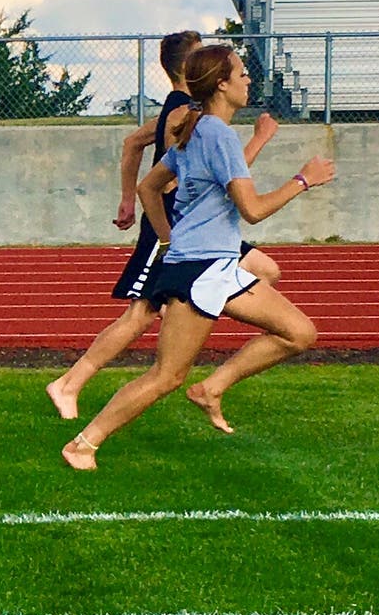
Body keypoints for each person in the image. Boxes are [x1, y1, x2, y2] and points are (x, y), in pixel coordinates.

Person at [62, 45, 333, 470]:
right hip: (202, 271)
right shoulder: (217, 134)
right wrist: (303, 179)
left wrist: (171, 242)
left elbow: (149, 188)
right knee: (166, 376)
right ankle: (83, 444)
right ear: (221, 84)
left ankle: (213, 387)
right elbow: (253, 210)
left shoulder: (198, 130)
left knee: (299, 333)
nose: (248, 81)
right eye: (242, 74)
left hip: (214, 266)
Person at [45, 32, 281, 420]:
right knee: (140, 315)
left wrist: (126, 197)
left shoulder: (183, 111)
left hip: (202, 230)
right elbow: (208, 179)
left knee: (266, 270)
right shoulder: (183, 115)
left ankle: (192, 321)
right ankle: (70, 383)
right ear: (192, 67)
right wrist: (140, 207)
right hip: (175, 227)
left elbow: (134, 144)